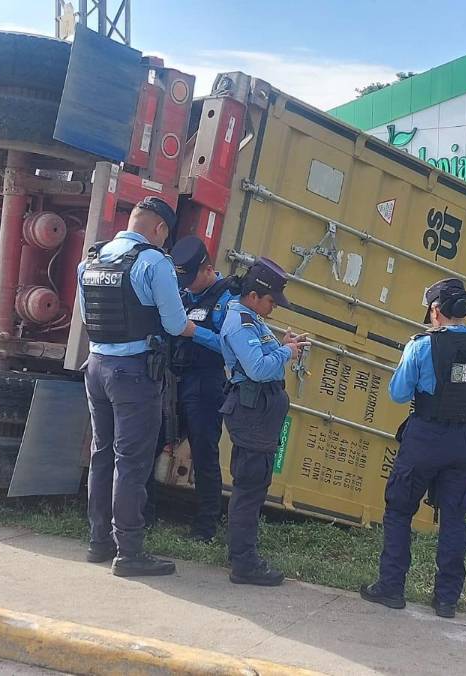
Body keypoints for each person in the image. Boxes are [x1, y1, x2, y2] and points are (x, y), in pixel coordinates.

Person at [360, 278, 466, 619]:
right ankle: (447, 599)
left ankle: (391, 588)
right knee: (455, 517)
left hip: (426, 438)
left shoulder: (422, 346)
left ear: (436, 311)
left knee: (399, 510)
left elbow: (398, 393)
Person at [78, 197, 197, 577]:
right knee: (131, 463)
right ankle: (128, 551)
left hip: (96, 367)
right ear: (160, 229)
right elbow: (177, 325)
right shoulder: (153, 263)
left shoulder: (92, 260)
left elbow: (86, 317)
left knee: (102, 455)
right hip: (132, 374)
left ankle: (99, 541)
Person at [219, 258, 307, 586]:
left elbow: (264, 356)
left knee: (254, 486)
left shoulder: (251, 318)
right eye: (271, 301)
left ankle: (242, 554)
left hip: (258, 412)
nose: (273, 307)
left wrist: (284, 346)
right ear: (254, 296)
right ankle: (244, 563)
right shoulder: (240, 323)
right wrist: (285, 354)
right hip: (251, 411)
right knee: (250, 488)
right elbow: (257, 368)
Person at [144, 236, 238, 541]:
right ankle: (145, 515)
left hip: (206, 382)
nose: (186, 285)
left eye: (190, 278)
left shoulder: (229, 300)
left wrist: (195, 331)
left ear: (208, 269)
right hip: (173, 380)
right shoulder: (183, 293)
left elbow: (232, 350)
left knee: (204, 453)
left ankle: (205, 528)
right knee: (149, 444)